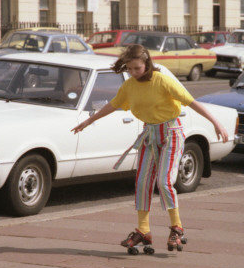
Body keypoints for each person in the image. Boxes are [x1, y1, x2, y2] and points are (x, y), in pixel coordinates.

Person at [71, 44, 228, 252]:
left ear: (146, 64)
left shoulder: (162, 80)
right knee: (142, 182)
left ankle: (176, 227)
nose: (133, 73)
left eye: (137, 68)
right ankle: (143, 230)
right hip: (149, 135)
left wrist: (216, 123)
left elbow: (191, 102)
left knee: (164, 182)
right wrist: (89, 121)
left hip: (171, 133)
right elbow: (113, 104)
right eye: (130, 69)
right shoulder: (129, 86)